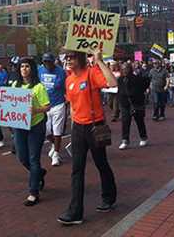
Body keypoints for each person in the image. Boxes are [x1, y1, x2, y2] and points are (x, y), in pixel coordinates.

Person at [58, 50, 117, 226]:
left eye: (72, 57)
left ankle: (109, 197)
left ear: (81, 58)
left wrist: (99, 61)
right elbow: (72, 104)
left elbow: (112, 82)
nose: (68, 60)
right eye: (66, 57)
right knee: (77, 169)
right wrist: (72, 122)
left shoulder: (91, 73)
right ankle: (75, 211)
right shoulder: (68, 79)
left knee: (101, 163)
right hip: (78, 128)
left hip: (95, 126)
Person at [13, 57, 50, 206]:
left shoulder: (39, 87)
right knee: (22, 157)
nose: (24, 69)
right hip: (20, 126)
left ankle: (33, 192)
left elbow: (47, 106)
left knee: (34, 158)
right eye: (22, 67)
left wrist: (36, 110)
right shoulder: (15, 84)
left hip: (36, 126)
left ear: (32, 69)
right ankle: (39, 173)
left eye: (27, 66)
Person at [38, 53, 66, 167]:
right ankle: (55, 145)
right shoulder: (39, 70)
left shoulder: (60, 72)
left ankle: (56, 154)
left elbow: (59, 86)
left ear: (53, 61)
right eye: (45, 62)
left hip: (58, 104)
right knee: (45, 131)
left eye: (49, 61)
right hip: (45, 105)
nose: (47, 64)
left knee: (57, 131)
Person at [117, 63, 150, 150]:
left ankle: (143, 137)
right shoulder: (120, 79)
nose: (124, 70)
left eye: (126, 69)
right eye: (123, 69)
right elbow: (119, 91)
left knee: (139, 121)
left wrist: (138, 94)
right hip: (125, 104)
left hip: (136, 103)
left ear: (130, 69)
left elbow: (146, 83)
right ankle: (125, 140)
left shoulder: (137, 78)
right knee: (125, 122)